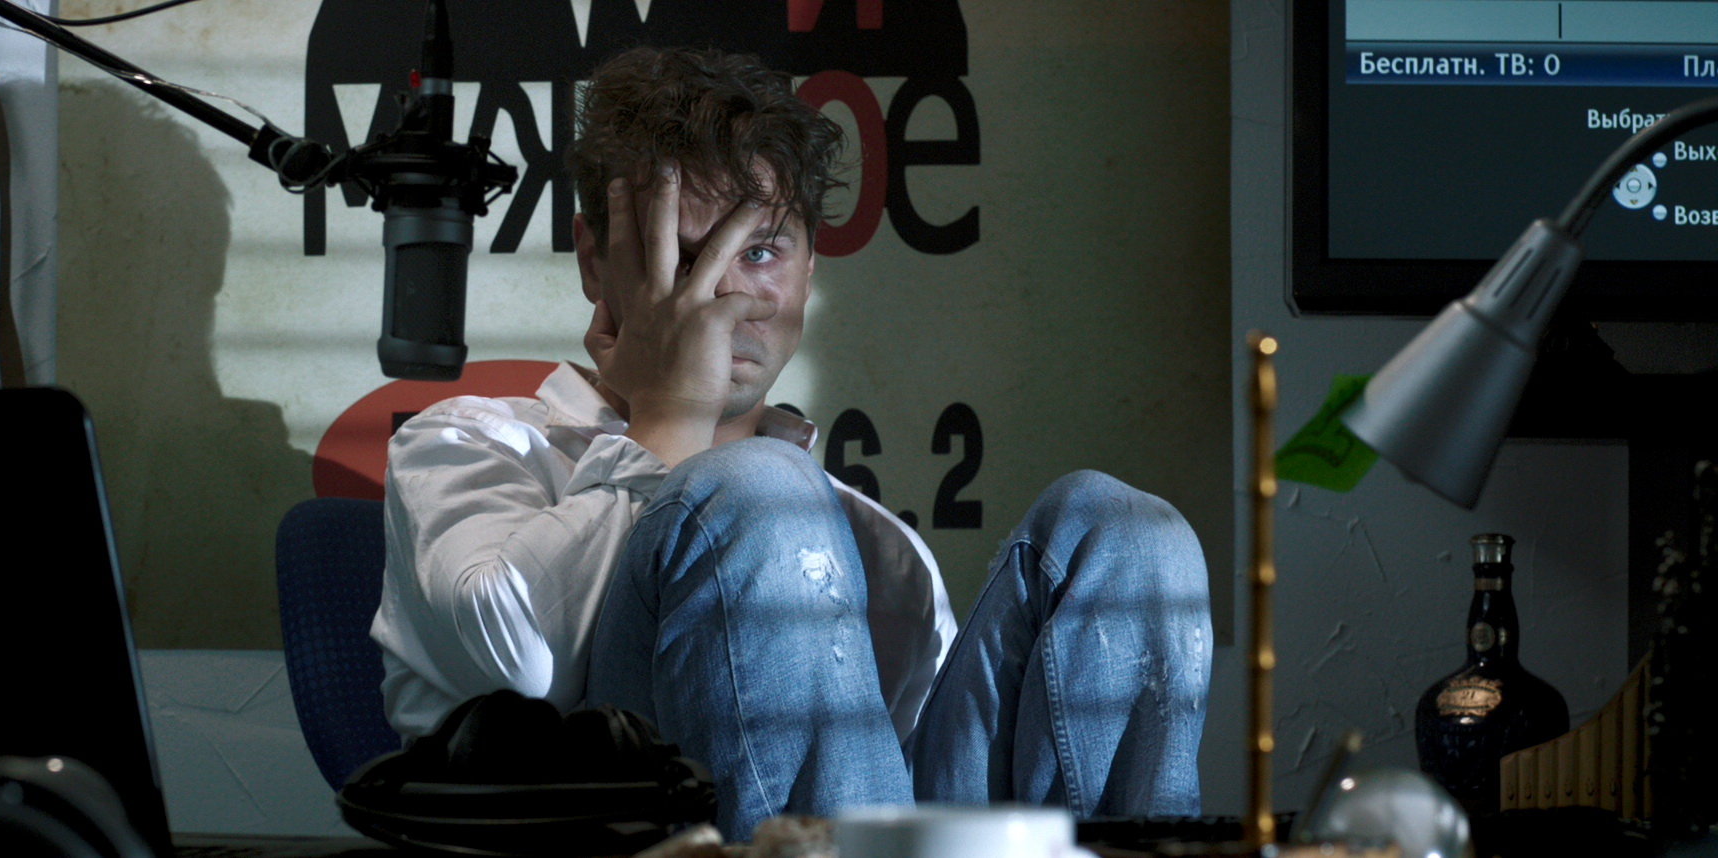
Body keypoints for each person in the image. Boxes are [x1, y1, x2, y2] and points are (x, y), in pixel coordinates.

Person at [368, 46, 1212, 840]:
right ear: (596, 262)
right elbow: (514, 678)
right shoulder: (474, 443)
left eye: (761, 251)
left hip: (885, 837)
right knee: (758, 490)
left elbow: (895, 785)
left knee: (1128, 534)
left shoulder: (872, 544)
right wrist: (671, 417)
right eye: (683, 257)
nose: (725, 296)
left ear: (809, 270)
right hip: (610, 840)